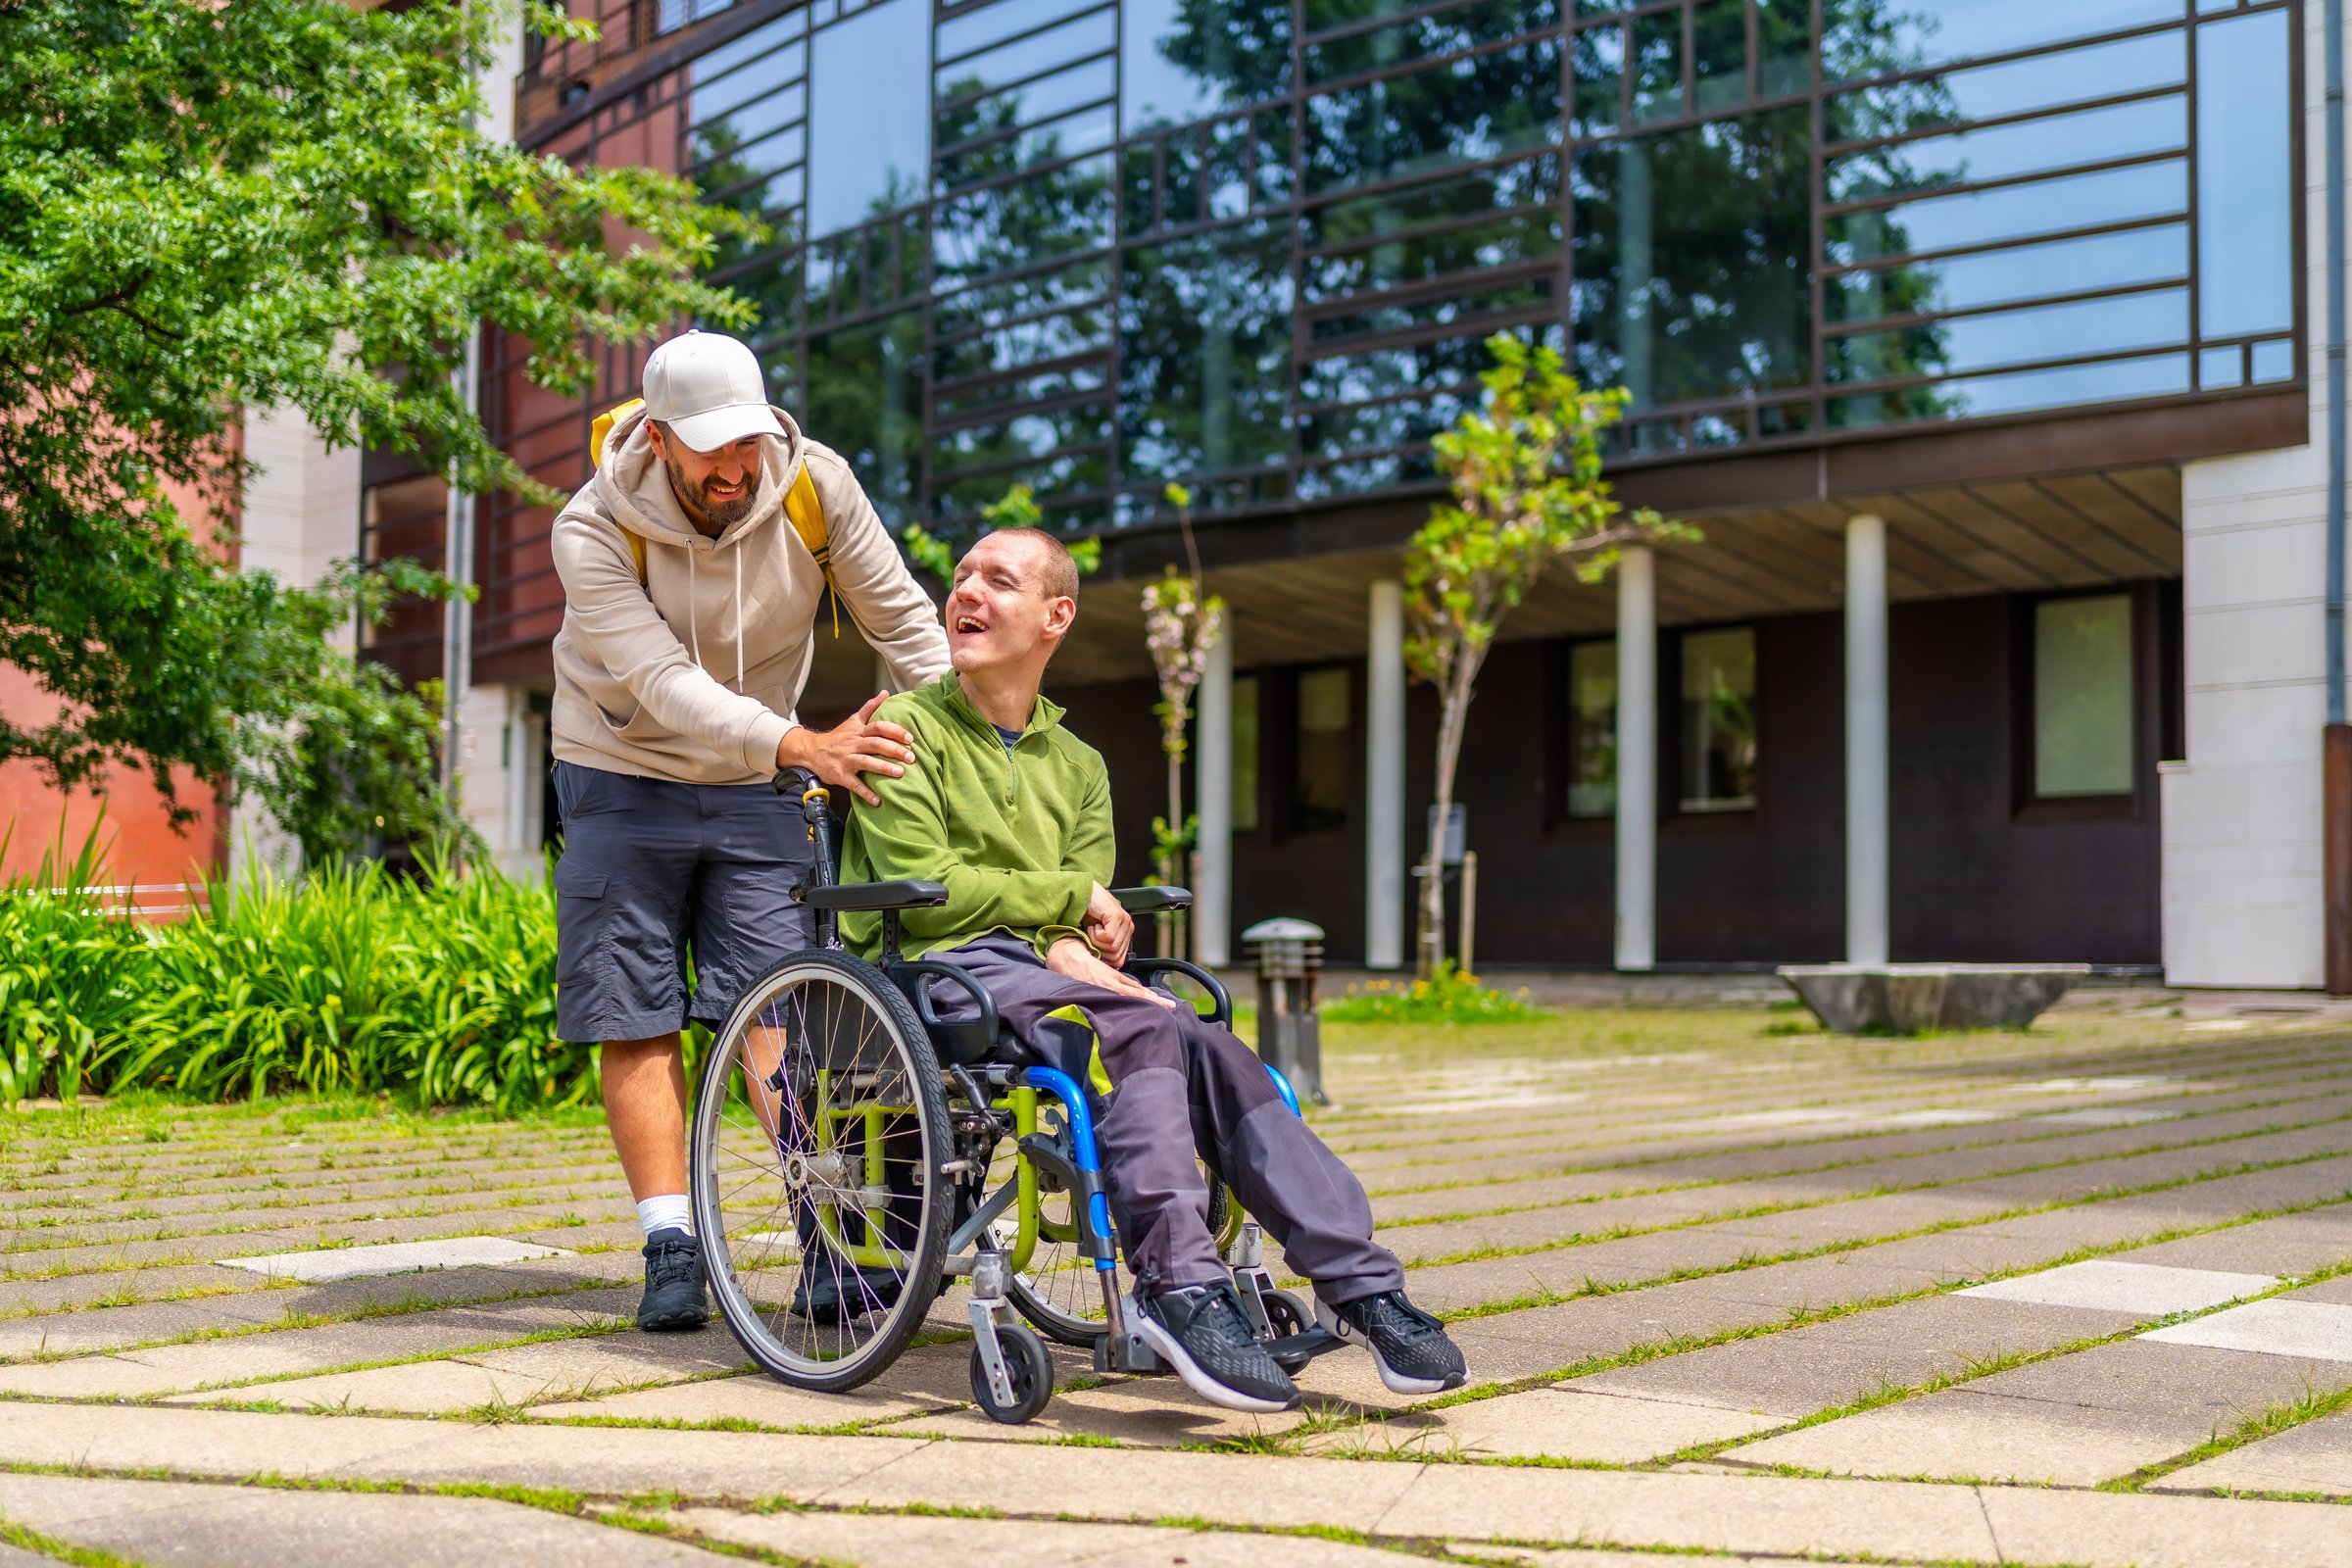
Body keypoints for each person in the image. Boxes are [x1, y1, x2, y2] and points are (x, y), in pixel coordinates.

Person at [839, 527, 1467, 1412]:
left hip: (1039, 971)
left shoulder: (1080, 764)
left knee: (1199, 1034)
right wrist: (1061, 917)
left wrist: (1069, 940)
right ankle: (1176, 1285)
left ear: (1057, 616)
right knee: (1132, 1023)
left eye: (999, 581)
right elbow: (930, 891)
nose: (967, 594)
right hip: (944, 968)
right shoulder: (905, 728)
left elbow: (1082, 917)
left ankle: (1360, 1285)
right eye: (963, 578)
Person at [548, 329, 950, 1333]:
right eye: (711, 448)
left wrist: (979, 755)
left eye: (748, 443)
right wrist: (802, 742)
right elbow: (659, 682)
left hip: (762, 777)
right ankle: (670, 1240)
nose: (735, 468)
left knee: (784, 1008)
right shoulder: (593, 524)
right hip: (620, 766)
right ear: (659, 436)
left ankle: (827, 1226)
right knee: (632, 1006)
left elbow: (905, 627)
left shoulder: (815, 486)